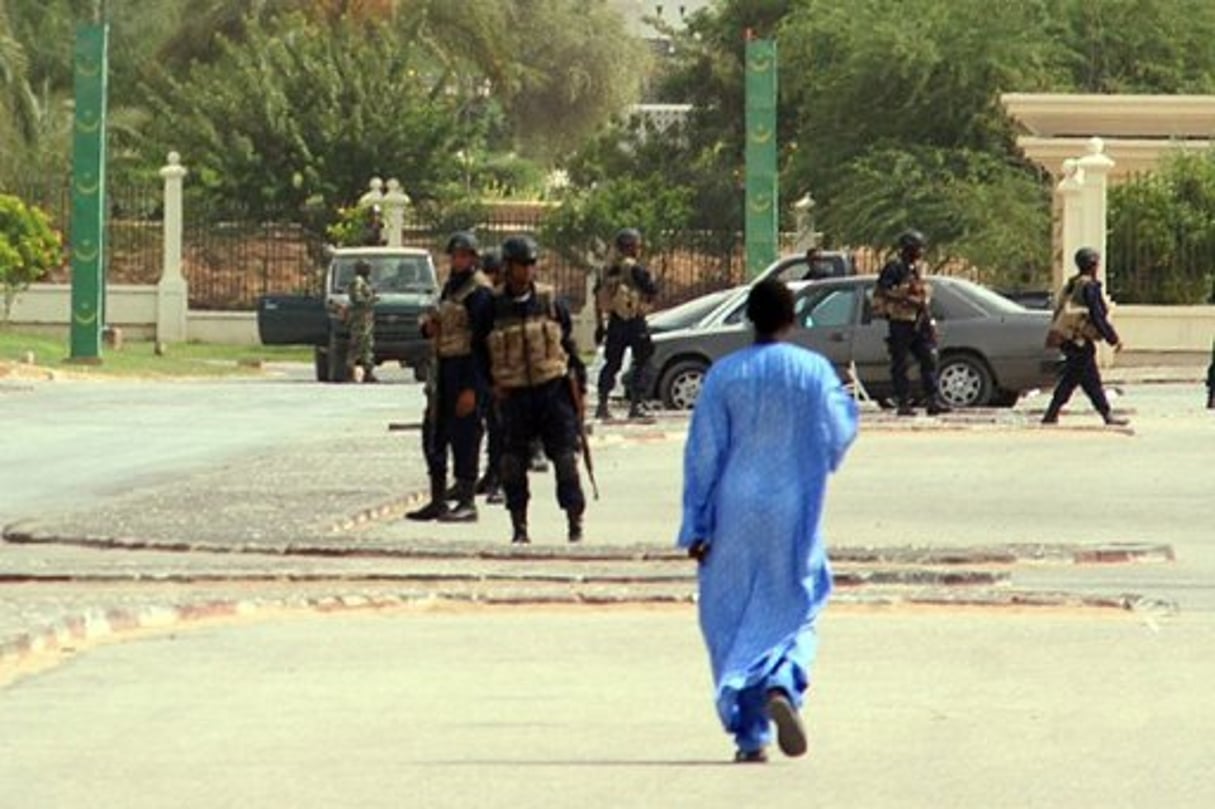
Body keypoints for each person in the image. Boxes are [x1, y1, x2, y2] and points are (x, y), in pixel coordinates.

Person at [677, 279, 858, 763]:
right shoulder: (813, 371)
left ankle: (750, 731)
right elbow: (839, 431)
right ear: (792, 319)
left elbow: (703, 453)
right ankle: (783, 680)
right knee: (797, 598)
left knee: (731, 612)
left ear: (749, 318)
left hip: (734, 508)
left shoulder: (723, 375)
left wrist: (696, 524)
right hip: (793, 506)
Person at [487, 235, 588, 544]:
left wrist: (580, 391)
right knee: (513, 463)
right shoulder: (492, 307)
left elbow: (568, 347)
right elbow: (480, 352)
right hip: (514, 395)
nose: (528, 271)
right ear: (508, 267)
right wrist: (490, 387)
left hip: (552, 391)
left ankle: (574, 520)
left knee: (565, 460)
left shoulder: (549, 302)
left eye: (532, 264)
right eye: (522, 265)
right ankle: (519, 526)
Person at [406, 232, 495, 522]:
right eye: (455, 255)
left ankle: (467, 499)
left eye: (464, 255)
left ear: (473, 258)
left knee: (465, 437)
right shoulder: (451, 288)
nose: (458, 260)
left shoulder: (479, 293)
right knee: (433, 432)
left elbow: (484, 343)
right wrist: (429, 327)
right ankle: (438, 498)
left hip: (466, 370)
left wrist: (473, 388)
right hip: (443, 368)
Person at [1042, 247, 1128, 426]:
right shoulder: (1089, 286)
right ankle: (1106, 415)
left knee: (1075, 379)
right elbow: (1097, 317)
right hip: (1079, 341)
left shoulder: (1073, 284)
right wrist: (1113, 339)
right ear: (1092, 265)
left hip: (1068, 338)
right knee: (1089, 380)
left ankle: (1052, 414)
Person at [873, 229, 950, 415]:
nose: (921, 252)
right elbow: (883, 290)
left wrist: (927, 317)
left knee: (929, 359)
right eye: (917, 248)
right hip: (901, 321)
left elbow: (922, 296)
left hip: (919, 320)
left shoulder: (916, 269)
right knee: (900, 363)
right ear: (908, 248)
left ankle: (932, 400)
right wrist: (907, 299)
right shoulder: (894, 267)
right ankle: (903, 402)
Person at [594, 227, 659, 421]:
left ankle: (602, 405)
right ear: (631, 247)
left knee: (611, 364)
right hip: (633, 320)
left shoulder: (606, 269)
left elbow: (598, 296)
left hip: (615, 321)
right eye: (637, 245)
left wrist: (599, 326)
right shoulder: (633, 268)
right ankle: (636, 405)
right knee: (643, 362)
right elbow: (652, 288)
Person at [475, 248, 506, 504]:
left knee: (503, 430)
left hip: (508, 374)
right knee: (491, 426)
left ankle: (502, 481)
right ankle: (490, 476)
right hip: (488, 371)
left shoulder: (508, 301)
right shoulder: (487, 299)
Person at [345, 259, 378, 383]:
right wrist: (370, 300)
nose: (369, 270)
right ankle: (350, 373)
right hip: (359, 320)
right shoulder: (358, 281)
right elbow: (357, 298)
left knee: (367, 346)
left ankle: (368, 373)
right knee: (357, 345)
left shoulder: (365, 282)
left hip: (366, 319)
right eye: (367, 268)